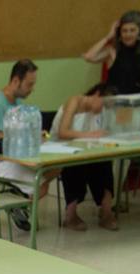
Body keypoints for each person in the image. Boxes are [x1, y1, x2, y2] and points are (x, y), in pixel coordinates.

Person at [52, 83, 119, 231]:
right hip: (63, 151)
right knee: (76, 165)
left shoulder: (100, 113)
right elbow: (63, 132)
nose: (103, 109)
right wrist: (91, 135)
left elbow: (103, 132)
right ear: (96, 95)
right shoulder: (75, 101)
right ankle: (70, 215)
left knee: (104, 162)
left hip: (84, 151)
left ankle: (106, 211)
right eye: (104, 103)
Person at [0, 59, 44, 231]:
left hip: (18, 158)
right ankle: (17, 203)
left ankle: (19, 200)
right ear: (15, 81)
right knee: (41, 183)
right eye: (29, 84)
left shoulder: (19, 103)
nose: (32, 89)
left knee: (54, 169)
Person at [84, 11, 140, 95]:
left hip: (139, 101)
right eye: (124, 31)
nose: (128, 34)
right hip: (116, 102)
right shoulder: (112, 50)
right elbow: (88, 57)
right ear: (119, 33)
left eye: (132, 30)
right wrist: (108, 36)